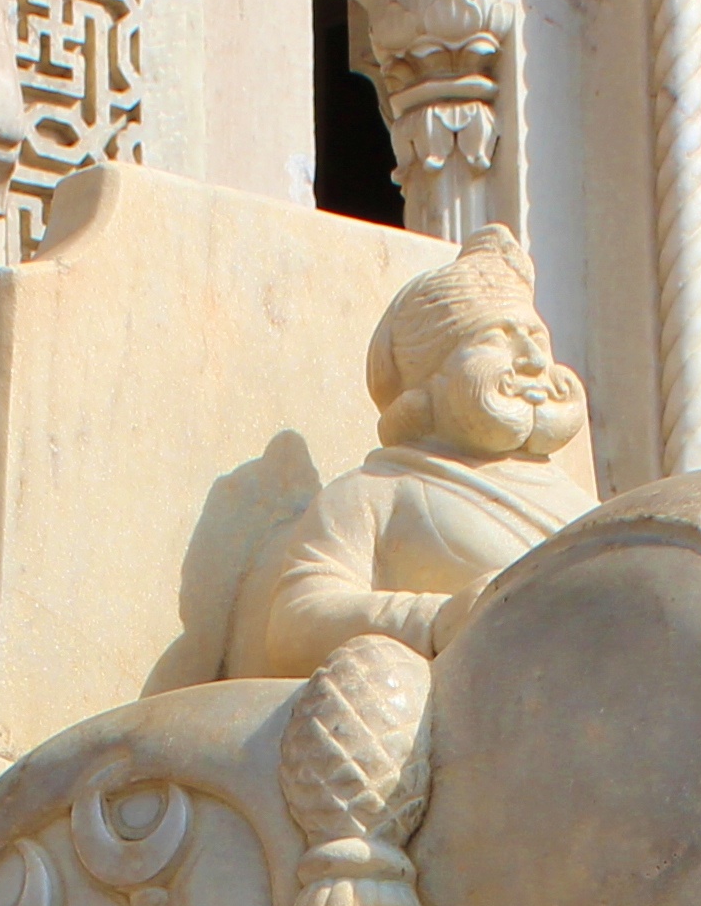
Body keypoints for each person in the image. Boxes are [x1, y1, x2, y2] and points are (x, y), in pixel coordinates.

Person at [225, 226, 594, 679]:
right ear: (431, 373)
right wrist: (435, 621)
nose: (536, 361)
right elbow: (296, 623)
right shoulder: (375, 491)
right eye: (497, 338)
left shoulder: (571, 495)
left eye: (537, 337)